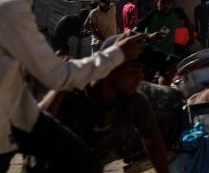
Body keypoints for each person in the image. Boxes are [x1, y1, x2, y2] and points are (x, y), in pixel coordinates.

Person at [0, 0, 145, 173]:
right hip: (7, 124)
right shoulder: (12, 5)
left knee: (82, 161)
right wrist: (115, 54)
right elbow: (58, 76)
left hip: (17, 117)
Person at [39, 34, 171, 173]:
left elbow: (153, 142)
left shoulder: (134, 102)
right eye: (134, 69)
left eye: (142, 70)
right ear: (110, 66)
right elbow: (36, 129)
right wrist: (62, 85)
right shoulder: (72, 92)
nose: (140, 76)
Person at [136, 0, 186, 82]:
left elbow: (186, 23)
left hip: (168, 55)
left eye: (169, 2)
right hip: (151, 56)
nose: (166, 5)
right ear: (156, 2)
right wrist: (149, 36)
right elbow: (133, 33)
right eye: (162, 2)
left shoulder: (177, 13)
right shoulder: (151, 16)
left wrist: (190, 36)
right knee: (148, 82)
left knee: (166, 80)